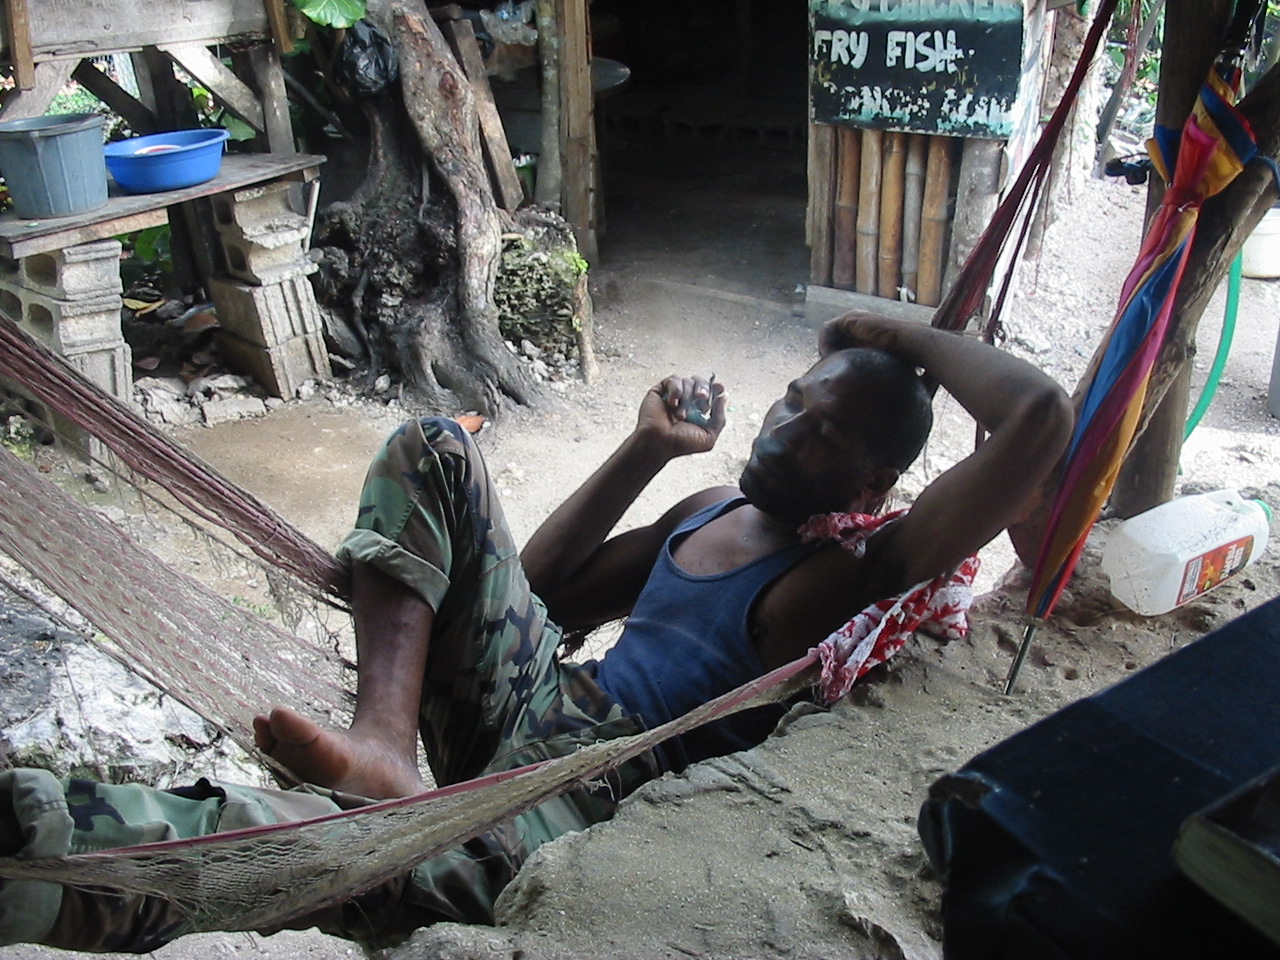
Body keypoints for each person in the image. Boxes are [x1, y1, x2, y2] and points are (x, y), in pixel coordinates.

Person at [0, 314, 1072, 951]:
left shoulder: (843, 575)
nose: (786, 433)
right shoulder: (713, 507)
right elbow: (546, 593)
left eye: (825, 434)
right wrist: (647, 450)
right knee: (434, 448)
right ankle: (382, 744)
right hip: (542, 708)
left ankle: (46, 846)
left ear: (874, 485)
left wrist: (891, 334)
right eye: (792, 402)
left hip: (591, 795)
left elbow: (1038, 417)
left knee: (334, 854)